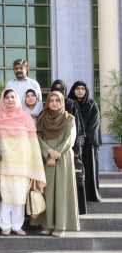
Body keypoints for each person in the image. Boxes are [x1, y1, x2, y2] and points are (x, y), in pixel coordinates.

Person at [0, 89, 46, 236]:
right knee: (6, 196)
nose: (10, 100)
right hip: (3, 163)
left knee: (19, 196)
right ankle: (5, 225)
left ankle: (17, 225)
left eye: (12, 97)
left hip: (22, 164)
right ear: (2, 100)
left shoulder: (26, 117)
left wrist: (34, 164)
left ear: (17, 99)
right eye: (7, 97)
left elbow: (33, 143)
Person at [33, 91, 79, 237]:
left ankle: (60, 226)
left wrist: (55, 153)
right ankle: (48, 224)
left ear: (62, 102)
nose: (54, 103)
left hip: (63, 158)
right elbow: (37, 137)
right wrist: (48, 152)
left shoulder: (69, 119)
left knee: (61, 191)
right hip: (46, 157)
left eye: (57, 100)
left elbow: (69, 140)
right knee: (48, 191)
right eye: (51, 100)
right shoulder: (42, 118)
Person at [51, 79, 86, 213]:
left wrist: (76, 148)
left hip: (68, 148)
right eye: (56, 88)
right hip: (53, 148)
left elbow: (76, 128)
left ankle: (73, 211)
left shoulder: (71, 103)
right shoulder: (48, 105)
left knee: (71, 183)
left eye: (61, 88)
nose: (58, 90)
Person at [69, 81, 102, 203]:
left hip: (89, 143)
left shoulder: (92, 104)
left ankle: (90, 195)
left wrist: (84, 136)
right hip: (73, 143)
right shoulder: (70, 104)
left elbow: (95, 123)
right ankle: (75, 197)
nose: (80, 91)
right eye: (78, 88)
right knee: (75, 170)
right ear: (73, 90)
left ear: (86, 90)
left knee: (90, 169)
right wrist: (76, 137)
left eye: (83, 88)